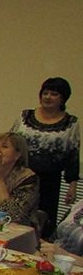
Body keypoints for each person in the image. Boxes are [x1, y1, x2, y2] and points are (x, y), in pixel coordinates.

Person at [11, 77, 80, 238]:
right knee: (17, 215)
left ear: (63, 98)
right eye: (45, 93)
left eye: (54, 94)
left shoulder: (71, 123)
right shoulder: (25, 116)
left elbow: (73, 154)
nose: (48, 97)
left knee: (43, 221)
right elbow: (11, 142)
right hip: (20, 176)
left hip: (49, 181)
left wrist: (72, 185)